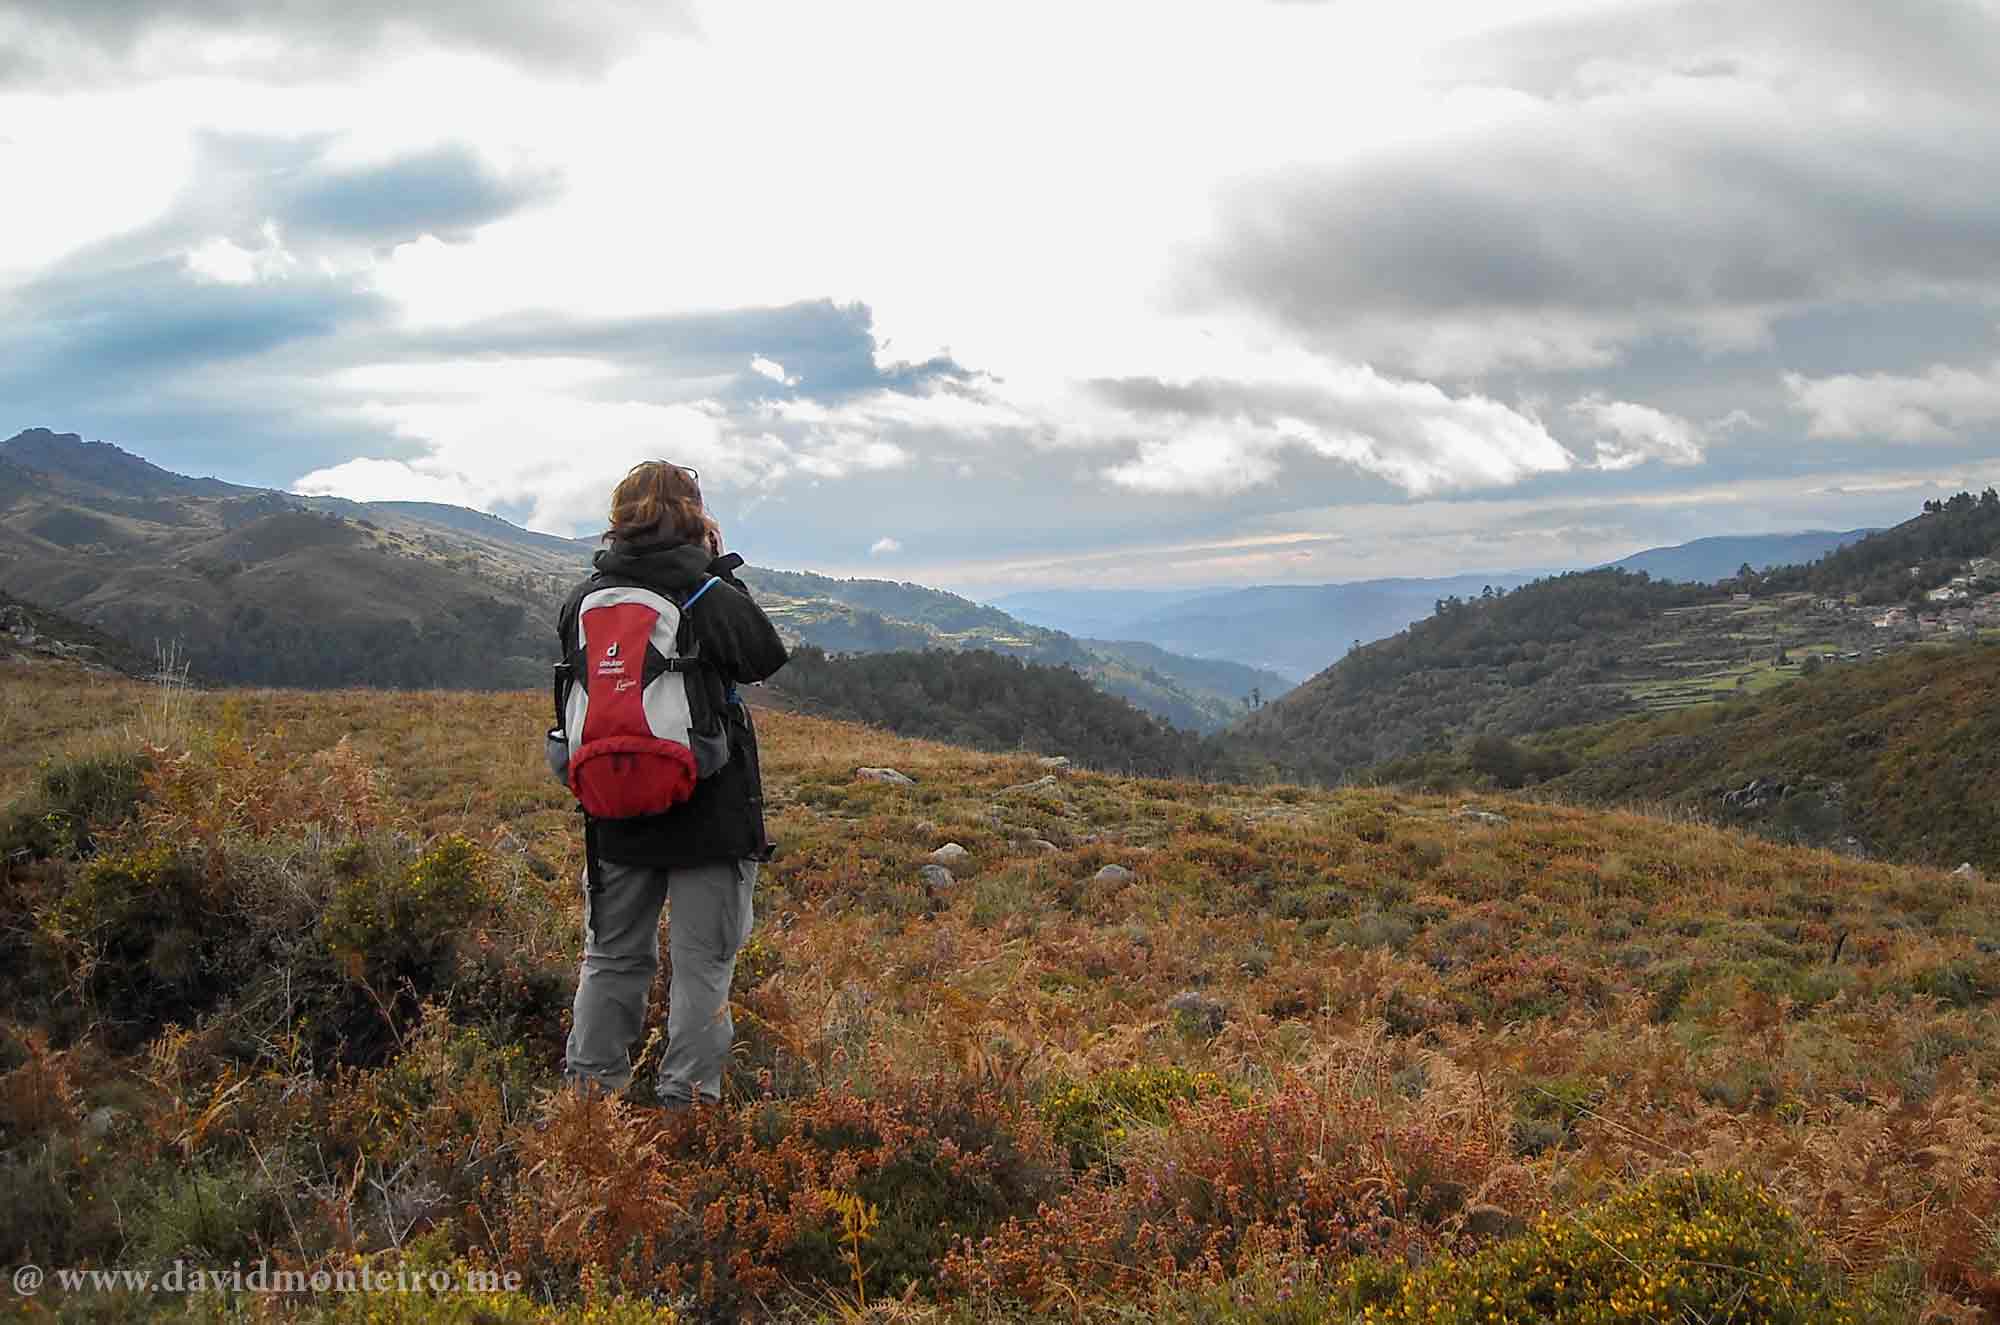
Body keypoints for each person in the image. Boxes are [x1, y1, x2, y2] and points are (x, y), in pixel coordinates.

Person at [555, 460, 788, 1107]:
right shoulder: (702, 591)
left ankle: (588, 1110)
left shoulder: (585, 598)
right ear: (694, 517)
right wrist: (715, 570)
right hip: (709, 814)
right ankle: (684, 1115)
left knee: (610, 960)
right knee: (701, 971)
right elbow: (764, 652)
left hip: (614, 813)